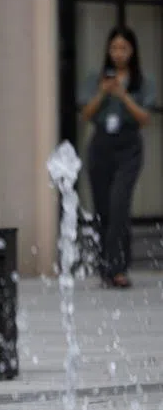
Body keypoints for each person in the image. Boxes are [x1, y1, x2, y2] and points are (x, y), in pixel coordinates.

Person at [79, 26, 156, 288]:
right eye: (114, 48)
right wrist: (103, 92)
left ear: (132, 50)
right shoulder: (97, 78)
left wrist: (123, 95)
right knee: (103, 209)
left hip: (128, 146)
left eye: (123, 48)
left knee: (119, 205)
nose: (118, 53)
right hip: (101, 146)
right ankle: (106, 268)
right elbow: (86, 114)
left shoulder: (142, 81)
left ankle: (119, 267)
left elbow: (145, 118)